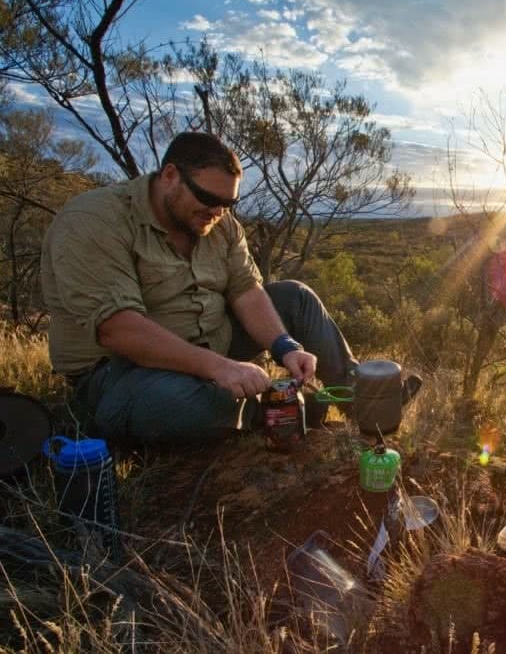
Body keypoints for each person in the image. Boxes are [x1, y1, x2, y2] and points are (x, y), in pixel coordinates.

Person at [40, 131, 359, 445]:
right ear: (169, 175)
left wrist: (286, 348)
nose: (218, 211)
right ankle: (279, 410)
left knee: (296, 297)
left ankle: (363, 399)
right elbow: (118, 329)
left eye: (229, 202)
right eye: (208, 198)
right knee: (181, 404)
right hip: (122, 371)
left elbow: (246, 290)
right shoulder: (95, 219)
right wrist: (220, 368)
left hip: (210, 343)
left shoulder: (220, 223)